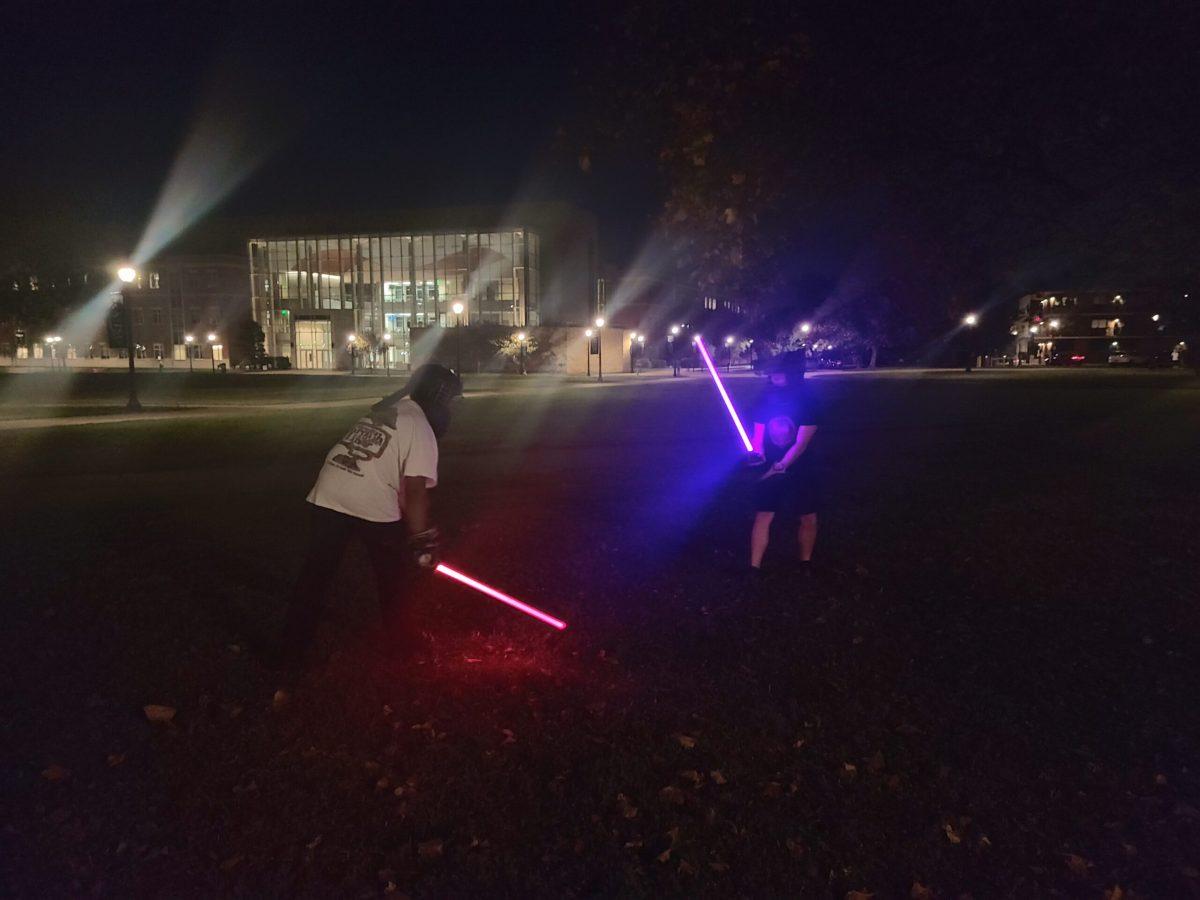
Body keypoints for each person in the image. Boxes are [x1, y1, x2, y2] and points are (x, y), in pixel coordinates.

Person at [269, 364, 463, 671]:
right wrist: (421, 539)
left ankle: (288, 653)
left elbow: (392, 476)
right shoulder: (421, 427)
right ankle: (403, 646)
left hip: (327, 492)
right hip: (367, 498)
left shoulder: (393, 409)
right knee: (393, 577)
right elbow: (414, 491)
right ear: (440, 398)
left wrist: (412, 526)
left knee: (314, 579)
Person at [746, 351, 820, 574]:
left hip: (802, 467)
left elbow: (801, 442)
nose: (774, 375)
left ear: (793, 373)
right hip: (771, 465)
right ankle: (754, 567)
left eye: (780, 371)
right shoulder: (765, 398)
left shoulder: (808, 401)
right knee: (764, 513)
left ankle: (805, 562)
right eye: (773, 372)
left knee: (807, 516)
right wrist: (757, 454)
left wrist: (782, 465)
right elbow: (758, 435)